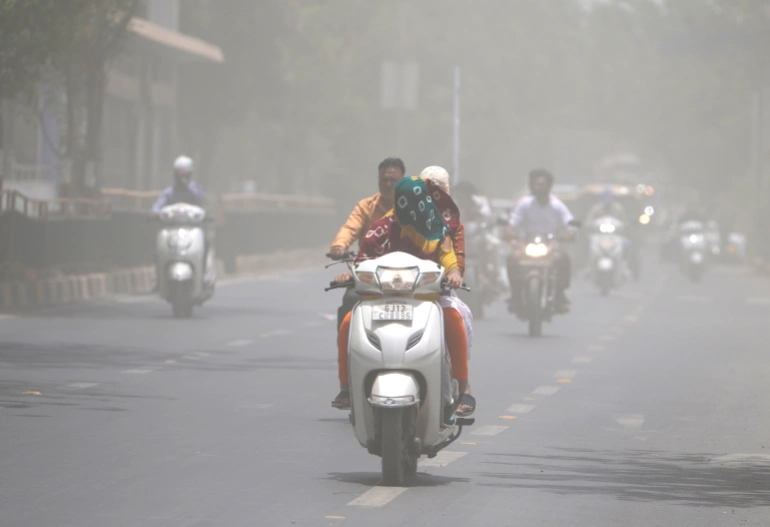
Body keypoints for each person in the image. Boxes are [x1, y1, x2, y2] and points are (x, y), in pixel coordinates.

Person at [333, 177, 476, 417]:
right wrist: (350, 275)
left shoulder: (438, 227)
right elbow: (363, 260)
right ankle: (346, 388)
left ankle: (464, 388)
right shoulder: (380, 228)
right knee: (348, 322)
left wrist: (453, 272)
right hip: (382, 298)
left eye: (416, 201)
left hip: (427, 297)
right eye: (405, 202)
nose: (411, 207)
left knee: (452, 317)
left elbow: (449, 256)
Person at [329, 158, 406, 328]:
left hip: (407, 274)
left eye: (393, 180)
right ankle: (346, 353)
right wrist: (339, 246)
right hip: (369, 271)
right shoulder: (366, 207)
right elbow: (350, 228)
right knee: (350, 300)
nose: (388, 185)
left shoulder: (412, 207)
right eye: (384, 180)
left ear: (403, 183)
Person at [506, 169, 576, 313]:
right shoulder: (525, 204)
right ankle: (516, 295)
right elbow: (512, 223)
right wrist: (510, 234)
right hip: (526, 245)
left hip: (551, 246)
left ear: (549, 186)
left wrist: (570, 233)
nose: (538, 187)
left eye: (542, 184)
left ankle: (559, 295)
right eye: (536, 184)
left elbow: (570, 222)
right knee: (512, 258)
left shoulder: (557, 205)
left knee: (562, 259)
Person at [150, 156, 210, 291]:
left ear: (190, 174)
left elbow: (203, 201)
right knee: (157, 245)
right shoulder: (169, 192)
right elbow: (158, 205)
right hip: (172, 230)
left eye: (184, 174)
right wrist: (154, 212)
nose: (181, 178)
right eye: (179, 175)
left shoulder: (197, 189)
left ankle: (203, 275)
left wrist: (188, 187)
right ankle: (159, 277)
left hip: (193, 229)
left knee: (206, 243)